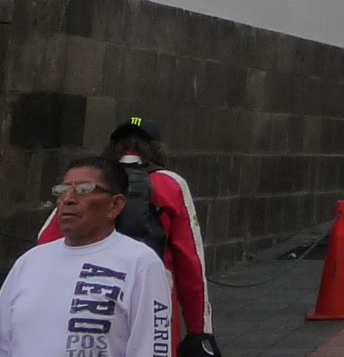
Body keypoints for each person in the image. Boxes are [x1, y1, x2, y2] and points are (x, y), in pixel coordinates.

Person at [30, 119, 212, 350]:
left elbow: (46, 242)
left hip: (89, 299)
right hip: (155, 299)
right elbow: (191, 263)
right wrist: (200, 331)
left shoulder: (89, 186)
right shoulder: (170, 184)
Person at [0, 157, 173, 357]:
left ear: (115, 205)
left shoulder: (140, 263)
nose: (68, 199)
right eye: (63, 190)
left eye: (84, 190)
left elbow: (153, 347)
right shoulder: (29, 262)